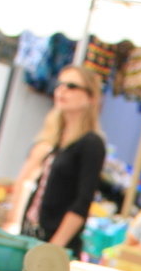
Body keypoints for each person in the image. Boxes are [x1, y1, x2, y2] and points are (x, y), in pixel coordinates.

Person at [18, 67, 108, 255]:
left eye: (72, 86)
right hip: (31, 233)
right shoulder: (54, 138)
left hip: (56, 243)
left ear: (90, 97)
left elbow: (82, 202)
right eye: (59, 85)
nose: (62, 91)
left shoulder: (91, 143)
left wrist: (54, 248)